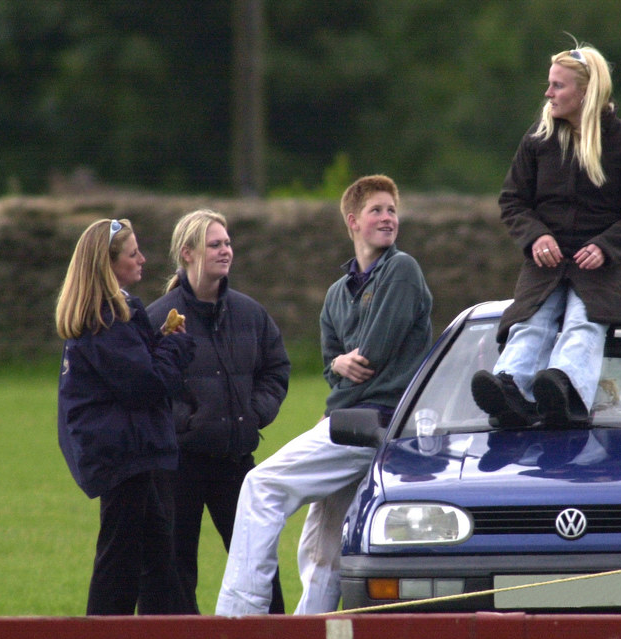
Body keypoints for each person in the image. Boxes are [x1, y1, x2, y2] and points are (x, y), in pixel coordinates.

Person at [215, 174, 433, 616]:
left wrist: (343, 371)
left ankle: (238, 617)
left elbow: (373, 355)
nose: (388, 218)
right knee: (326, 544)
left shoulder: (402, 270)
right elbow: (333, 367)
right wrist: (337, 366)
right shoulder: (336, 294)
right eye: (377, 210)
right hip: (350, 420)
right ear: (352, 221)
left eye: (392, 210)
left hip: (380, 421)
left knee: (261, 487)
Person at [471, 42, 621, 427]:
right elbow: (512, 201)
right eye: (549, 84)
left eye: (558, 86)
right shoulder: (537, 140)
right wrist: (535, 237)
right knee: (532, 321)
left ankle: (564, 387)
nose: (548, 93)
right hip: (544, 264)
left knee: (584, 322)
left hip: (600, 268)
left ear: (586, 93)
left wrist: (606, 247)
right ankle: (509, 389)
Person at [147, 209, 290, 614]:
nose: (226, 250)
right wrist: (186, 423)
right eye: (215, 244)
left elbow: (277, 368)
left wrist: (253, 412)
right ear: (188, 253)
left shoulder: (250, 314)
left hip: (235, 460)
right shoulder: (159, 317)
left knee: (256, 559)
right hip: (180, 464)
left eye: (227, 243)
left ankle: (277, 638)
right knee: (176, 564)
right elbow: (150, 386)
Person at [56, 218, 195, 615]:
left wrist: (162, 346)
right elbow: (146, 385)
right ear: (108, 264)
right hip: (123, 453)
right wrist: (177, 346)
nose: (143, 259)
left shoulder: (111, 314)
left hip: (126, 450)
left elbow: (139, 372)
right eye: (133, 253)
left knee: (156, 554)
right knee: (121, 559)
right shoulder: (106, 319)